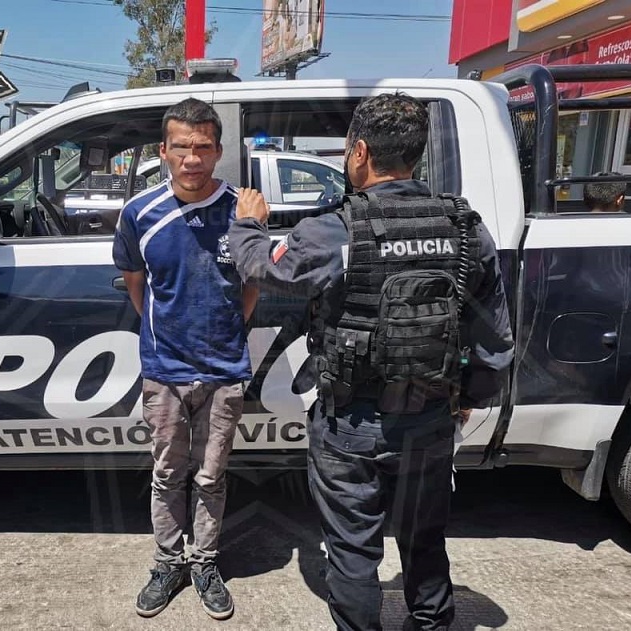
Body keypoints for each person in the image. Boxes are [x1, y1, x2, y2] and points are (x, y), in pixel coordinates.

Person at [228, 93, 514, 631]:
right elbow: (495, 336)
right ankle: (432, 622)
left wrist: (246, 224)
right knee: (424, 539)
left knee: (354, 554)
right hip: (431, 417)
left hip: (351, 424)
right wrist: (468, 400)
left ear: (359, 151)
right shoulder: (464, 228)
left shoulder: (333, 229)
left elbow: (266, 271)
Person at [112, 97, 258, 621]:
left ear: (218, 151)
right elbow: (137, 285)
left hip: (223, 370)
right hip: (164, 370)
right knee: (168, 471)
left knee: (211, 476)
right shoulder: (139, 213)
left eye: (202, 148)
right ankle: (167, 563)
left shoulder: (242, 209)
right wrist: (167, 336)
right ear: (164, 150)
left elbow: (251, 284)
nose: (191, 158)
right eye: (181, 147)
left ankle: (205, 562)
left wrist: (222, 336)